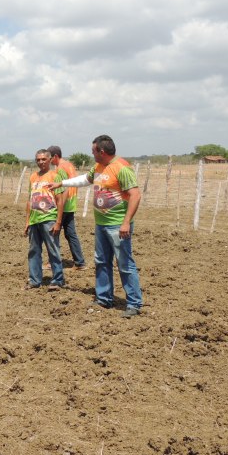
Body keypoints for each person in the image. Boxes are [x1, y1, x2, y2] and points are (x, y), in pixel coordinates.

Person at [47, 135, 143, 318]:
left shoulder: (121, 168)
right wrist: (62, 182)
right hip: (101, 224)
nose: (92, 154)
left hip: (117, 225)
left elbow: (135, 195)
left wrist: (125, 222)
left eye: (93, 151)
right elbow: (85, 179)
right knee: (101, 261)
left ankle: (134, 303)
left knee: (124, 263)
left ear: (102, 151)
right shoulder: (99, 167)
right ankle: (104, 298)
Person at [24, 149, 65, 291]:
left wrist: (58, 222)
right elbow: (30, 200)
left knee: (53, 249)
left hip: (49, 218)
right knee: (34, 250)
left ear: (50, 160)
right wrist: (27, 221)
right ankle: (35, 280)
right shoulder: (33, 177)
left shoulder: (55, 176)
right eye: (38, 160)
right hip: (35, 219)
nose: (41, 162)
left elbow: (60, 201)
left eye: (43, 159)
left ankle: (57, 280)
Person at [46, 145, 87, 270]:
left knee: (54, 233)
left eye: (49, 158)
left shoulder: (60, 169)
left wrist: (59, 207)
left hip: (63, 205)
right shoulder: (70, 165)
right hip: (71, 204)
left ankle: (52, 262)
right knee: (70, 234)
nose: (48, 161)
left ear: (55, 156)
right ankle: (80, 262)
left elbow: (63, 190)